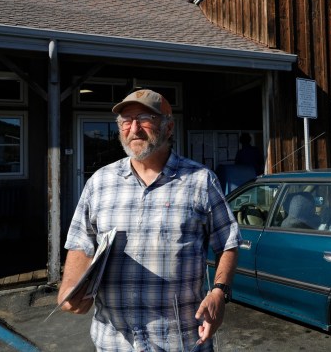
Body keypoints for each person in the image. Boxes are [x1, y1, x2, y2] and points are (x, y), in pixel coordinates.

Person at [57, 89, 241, 351]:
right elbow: (81, 243)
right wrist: (70, 290)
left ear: (168, 127)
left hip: (182, 341)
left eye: (144, 119)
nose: (134, 128)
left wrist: (219, 292)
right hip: (114, 342)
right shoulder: (100, 182)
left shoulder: (201, 181)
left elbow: (228, 243)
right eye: (126, 121)